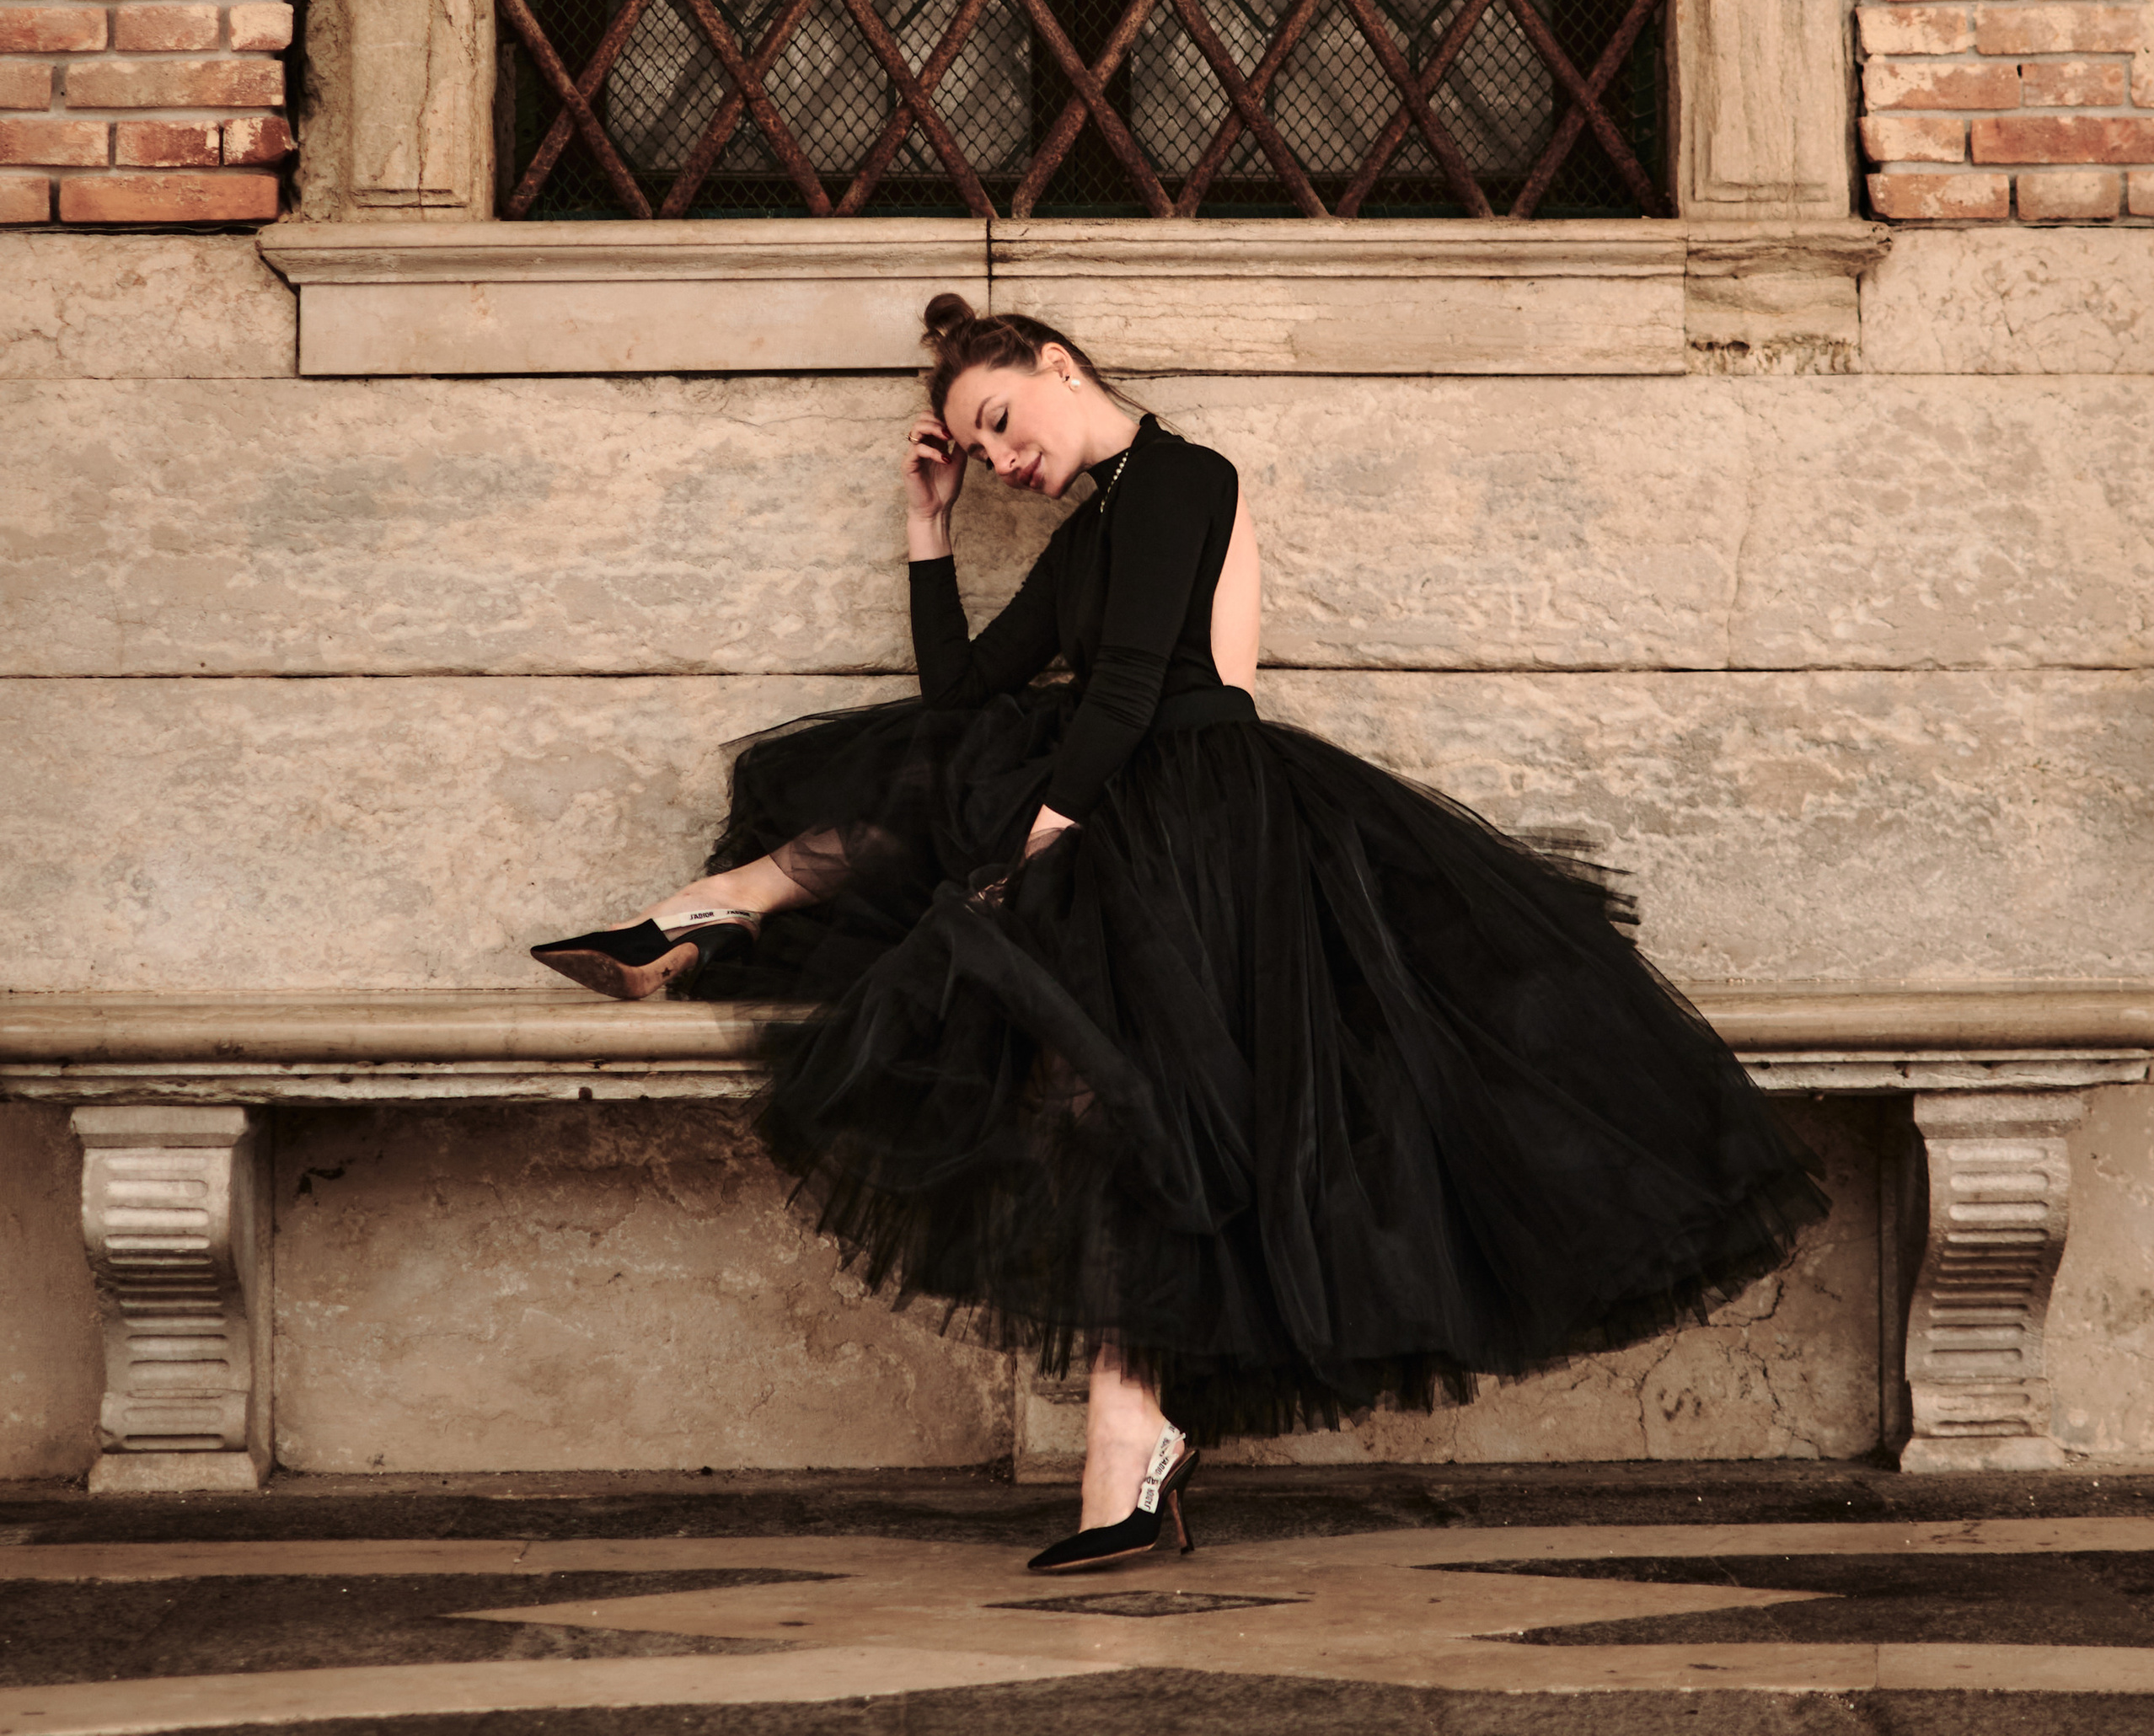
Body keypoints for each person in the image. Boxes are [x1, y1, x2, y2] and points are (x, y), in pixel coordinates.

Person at [532, 295, 1824, 1573]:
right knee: (1005, 890)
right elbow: (961, 693)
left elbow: (1143, 687)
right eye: (979, 456)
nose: (1002, 462)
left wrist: (1036, 838)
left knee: (1137, 1104)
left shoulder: (1180, 477)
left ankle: (1126, 1440)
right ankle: (706, 922)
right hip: (1110, 801)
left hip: (1197, 817)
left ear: (1058, 364)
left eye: (999, 424)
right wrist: (927, 532)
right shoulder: (1093, 528)